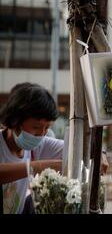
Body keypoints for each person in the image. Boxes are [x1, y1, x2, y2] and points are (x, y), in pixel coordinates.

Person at [0, 83, 62, 214]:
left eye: (47, 128)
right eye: (36, 127)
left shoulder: (39, 145)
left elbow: (75, 147)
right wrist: (37, 166)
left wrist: (100, 153)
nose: (41, 134)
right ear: (15, 121)